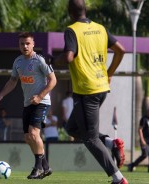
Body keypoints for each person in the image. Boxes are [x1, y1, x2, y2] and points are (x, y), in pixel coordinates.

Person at [51, 1, 127, 183]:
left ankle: (118, 179)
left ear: (70, 12)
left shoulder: (72, 30)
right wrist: (109, 73)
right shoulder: (100, 28)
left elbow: (68, 57)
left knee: (90, 139)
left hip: (87, 91)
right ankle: (112, 143)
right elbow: (120, 50)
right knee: (72, 128)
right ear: (86, 10)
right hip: (100, 87)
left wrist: (52, 60)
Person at [0, 32, 57, 179]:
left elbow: (53, 81)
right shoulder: (18, 62)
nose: (25, 46)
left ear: (33, 44)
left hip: (42, 102)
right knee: (28, 137)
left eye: (28, 43)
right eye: (22, 44)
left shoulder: (40, 60)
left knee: (34, 133)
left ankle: (38, 168)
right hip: (28, 103)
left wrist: (40, 96)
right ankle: (45, 167)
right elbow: (12, 81)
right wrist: (1, 94)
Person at [128, 104, 149, 173]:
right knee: (144, 155)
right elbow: (140, 129)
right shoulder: (144, 119)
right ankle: (132, 165)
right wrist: (142, 140)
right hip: (145, 141)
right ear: (148, 111)